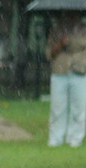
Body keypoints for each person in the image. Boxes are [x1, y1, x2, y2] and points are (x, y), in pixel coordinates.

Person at [46, 11, 86, 148]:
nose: (73, 17)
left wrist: (73, 42)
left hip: (80, 71)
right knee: (57, 108)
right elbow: (50, 53)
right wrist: (61, 44)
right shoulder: (56, 31)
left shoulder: (84, 30)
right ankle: (55, 138)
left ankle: (75, 138)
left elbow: (80, 44)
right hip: (60, 72)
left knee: (79, 108)